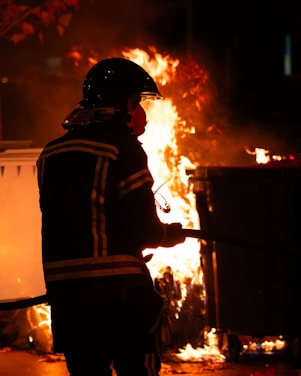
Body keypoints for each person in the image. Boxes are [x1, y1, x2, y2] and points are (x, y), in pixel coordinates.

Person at [36, 57, 186, 376]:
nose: (139, 112)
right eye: (135, 101)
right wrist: (169, 235)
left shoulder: (51, 153)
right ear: (119, 103)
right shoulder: (123, 148)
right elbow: (143, 230)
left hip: (67, 297)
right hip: (118, 293)